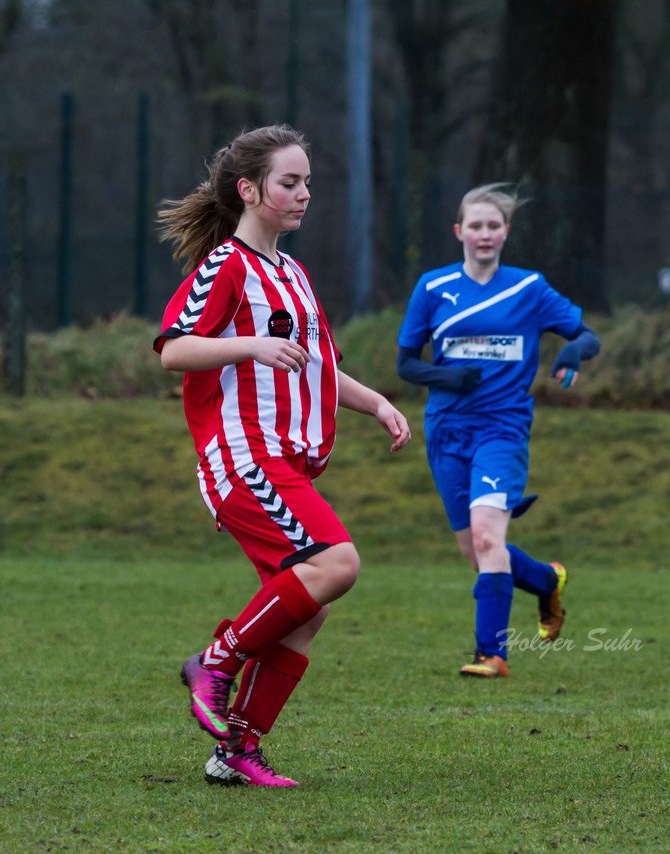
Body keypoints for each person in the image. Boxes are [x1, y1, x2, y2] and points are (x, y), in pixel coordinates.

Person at [153, 124, 411, 787]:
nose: (303, 195)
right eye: (289, 183)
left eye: (307, 183)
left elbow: (317, 368)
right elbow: (175, 349)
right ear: (250, 190)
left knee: (309, 602)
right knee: (338, 563)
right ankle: (214, 660)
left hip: (283, 465)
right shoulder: (225, 267)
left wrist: (377, 401)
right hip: (243, 459)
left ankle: (236, 750)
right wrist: (248, 347)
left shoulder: (292, 273)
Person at [395, 183, 601, 679]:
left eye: (493, 226)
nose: (484, 234)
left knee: (489, 539)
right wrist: (446, 377)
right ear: (459, 231)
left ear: (505, 232)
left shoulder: (528, 288)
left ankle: (493, 654)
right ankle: (547, 581)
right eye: (476, 225)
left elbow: (587, 336)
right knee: (478, 553)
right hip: (446, 431)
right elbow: (406, 364)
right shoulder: (432, 288)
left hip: (502, 429)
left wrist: (572, 352)